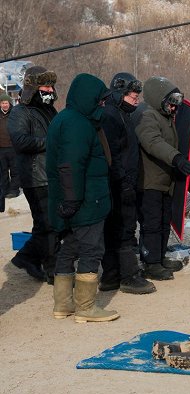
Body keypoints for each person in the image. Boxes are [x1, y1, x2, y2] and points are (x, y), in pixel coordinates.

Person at [46, 73, 119, 323]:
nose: (101, 105)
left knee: (70, 247)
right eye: (98, 100)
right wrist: (74, 200)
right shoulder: (77, 124)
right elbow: (70, 165)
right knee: (91, 249)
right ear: (87, 98)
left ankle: (63, 304)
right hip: (85, 200)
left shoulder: (66, 118)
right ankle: (86, 307)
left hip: (70, 199)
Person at [99, 73, 156, 294]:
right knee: (123, 230)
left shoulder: (121, 114)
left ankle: (111, 276)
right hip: (119, 183)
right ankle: (128, 276)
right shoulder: (111, 116)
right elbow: (112, 152)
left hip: (122, 181)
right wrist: (123, 181)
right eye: (133, 96)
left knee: (114, 229)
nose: (137, 100)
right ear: (121, 93)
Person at [135, 76, 190, 281]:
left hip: (165, 181)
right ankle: (150, 263)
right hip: (149, 181)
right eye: (170, 102)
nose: (174, 107)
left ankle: (159, 257)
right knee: (151, 223)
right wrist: (177, 158)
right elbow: (152, 141)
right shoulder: (146, 115)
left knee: (163, 221)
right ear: (158, 98)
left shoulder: (166, 116)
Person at [7, 66, 59, 283]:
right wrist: (50, 143)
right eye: (44, 86)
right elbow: (19, 141)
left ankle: (26, 257)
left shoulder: (50, 110)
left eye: (50, 86)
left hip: (52, 175)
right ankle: (52, 270)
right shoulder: (20, 112)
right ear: (33, 88)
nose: (49, 90)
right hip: (35, 177)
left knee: (50, 224)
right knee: (47, 225)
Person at [0, 93, 21, 198]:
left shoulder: (14, 113)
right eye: (3, 103)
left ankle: (14, 190)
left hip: (13, 147)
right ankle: (5, 190)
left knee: (15, 170)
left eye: (6, 103)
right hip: (1, 149)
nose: (5, 105)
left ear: (9, 103)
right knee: (2, 171)